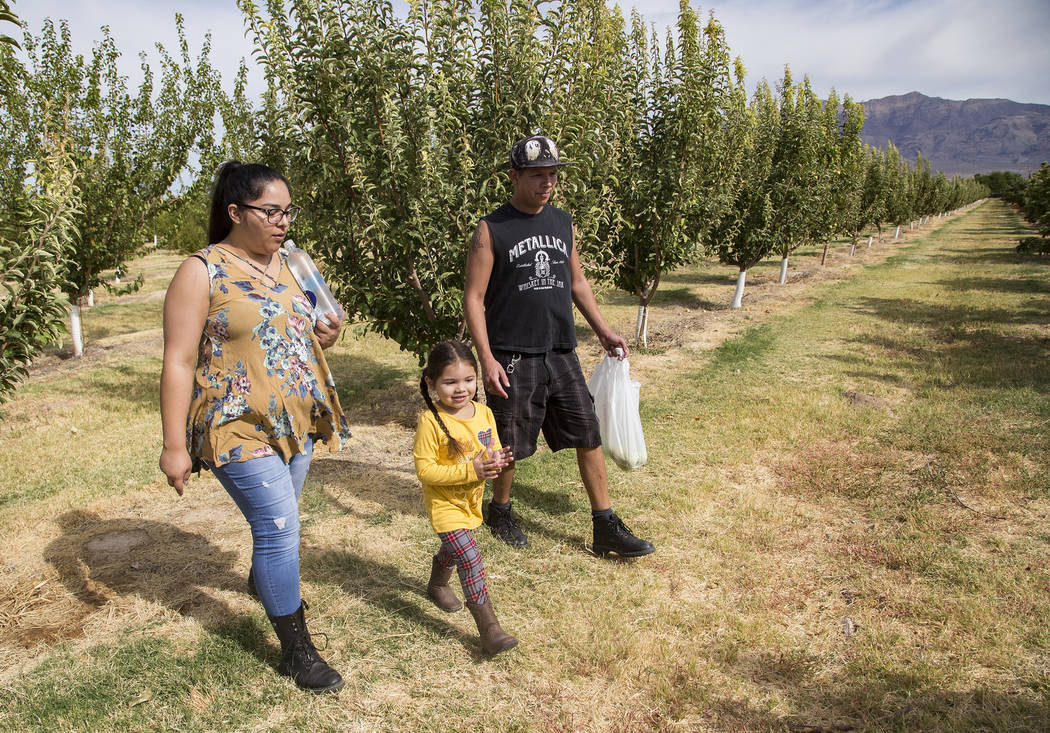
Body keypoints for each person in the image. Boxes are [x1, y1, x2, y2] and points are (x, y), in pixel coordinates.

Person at [159, 161, 352, 694]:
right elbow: (177, 361)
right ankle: (297, 649)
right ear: (235, 212)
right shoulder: (202, 270)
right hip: (232, 420)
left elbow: (303, 328)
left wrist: (326, 336)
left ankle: (266, 580)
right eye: (271, 211)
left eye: (288, 211)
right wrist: (174, 445)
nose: (283, 221)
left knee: (277, 529)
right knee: (279, 528)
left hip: (296, 420)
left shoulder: (290, 263)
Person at [463, 135, 655, 558]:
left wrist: (603, 330)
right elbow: (473, 298)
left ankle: (605, 525)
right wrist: (486, 357)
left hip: (561, 350)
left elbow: (577, 282)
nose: (547, 183)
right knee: (509, 441)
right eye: (537, 175)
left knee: (588, 431)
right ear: (514, 176)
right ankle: (500, 510)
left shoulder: (562, 222)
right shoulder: (491, 229)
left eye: (552, 174)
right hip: (512, 353)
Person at [413, 340, 518, 656]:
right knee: (470, 557)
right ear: (432, 383)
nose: (461, 389)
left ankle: (437, 585)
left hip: (470, 501)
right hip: (444, 506)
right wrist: (471, 470)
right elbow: (426, 472)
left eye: (468, 380)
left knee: (454, 549)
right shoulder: (430, 422)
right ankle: (490, 630)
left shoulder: (484, 412)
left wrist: (496, 459)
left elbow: (492, 445)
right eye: (450, 382)